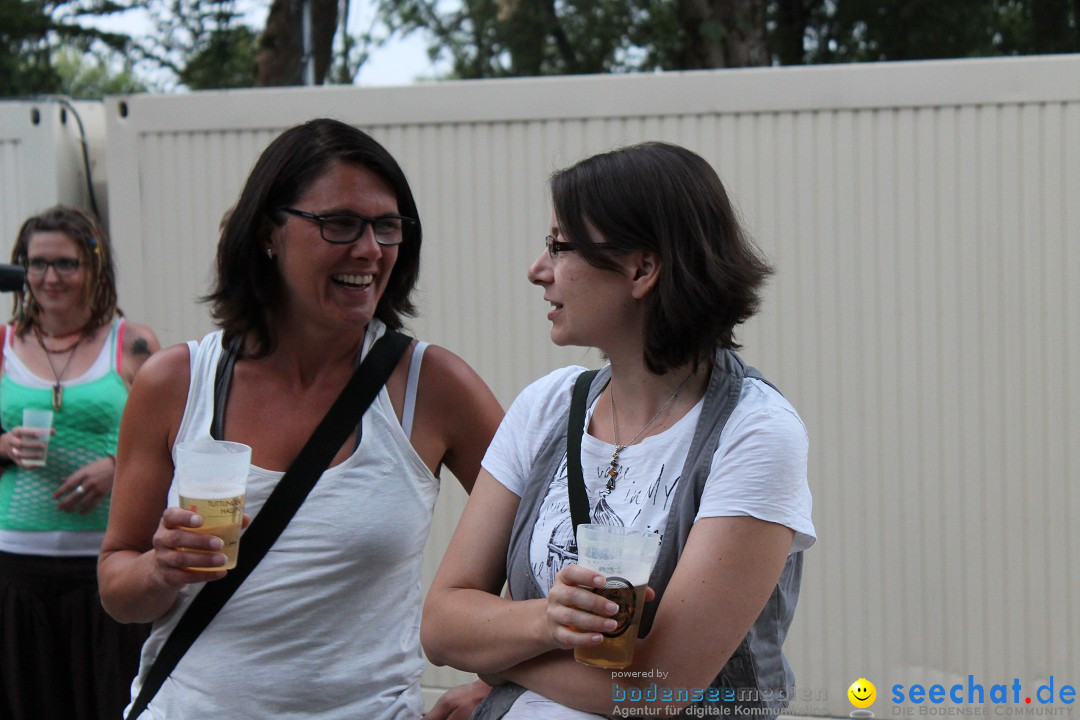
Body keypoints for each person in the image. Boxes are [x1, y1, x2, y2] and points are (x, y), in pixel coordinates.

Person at [97, 118, 504, 719]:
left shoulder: (432, 386)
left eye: (386, 226)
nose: (369, 249)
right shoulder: (175, 383)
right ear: (269, 233)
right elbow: (117, 587)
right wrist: (161, 568)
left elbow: (545, 547)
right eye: (339, 223)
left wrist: (499, 682)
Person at [421, 142, 816, 719]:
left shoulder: (754, 432)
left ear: (642, 269)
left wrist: (492, 657)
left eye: (559, 246)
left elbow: (659, 691)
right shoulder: (547, 406)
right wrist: (545, 621)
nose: (538, 270)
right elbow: (439, 624)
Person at [0, 205, 160, 720]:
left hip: (106, 564)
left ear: (94, 268)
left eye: (65, 264)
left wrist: (117, 465)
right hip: (16, 563)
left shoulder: (131, 343)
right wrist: (2, 447)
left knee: (113, 704)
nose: (49, 277)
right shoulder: (3, 344)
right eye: (37, 263)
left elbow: (176, 437)